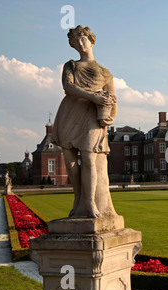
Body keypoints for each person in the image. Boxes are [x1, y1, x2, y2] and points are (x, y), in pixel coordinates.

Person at [52, 25, 117, 219]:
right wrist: (94, 97)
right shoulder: (70, 65)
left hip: (91, 117)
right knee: (70, 161)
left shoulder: (105, 72)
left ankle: (89, 202)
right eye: (75, 42)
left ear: (91, 40)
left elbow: (112, 97)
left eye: (83, 39)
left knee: (89, 157)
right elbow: (68, 87)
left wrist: (109, 115)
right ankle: (78, 199)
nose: (80, 44)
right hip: (69, 114)